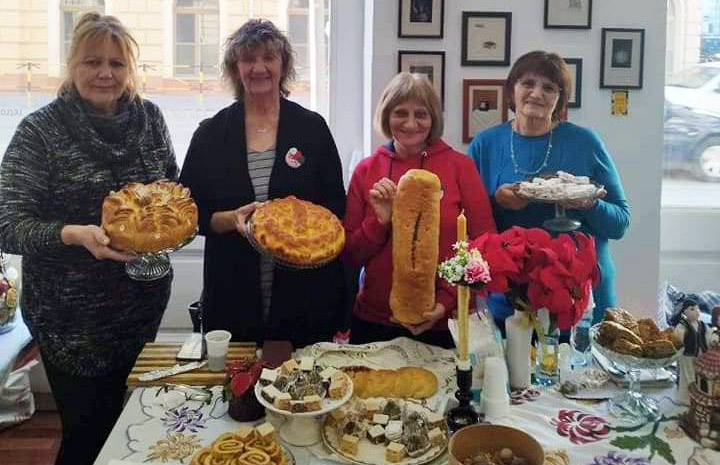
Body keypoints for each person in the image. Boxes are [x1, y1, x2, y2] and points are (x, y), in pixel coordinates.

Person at [0, 13, 177, 465]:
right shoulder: (41, 130)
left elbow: (171, 192)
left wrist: (173, 227)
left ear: (131, 68)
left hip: (140, 310)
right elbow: (9, 225)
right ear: (72, 64)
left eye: (116, 62)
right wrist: (76, 235)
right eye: (92, 61)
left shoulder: (150, 119)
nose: (105, 72)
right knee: (86, 433)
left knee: (130, 428)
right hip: (70, 318)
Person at [179, 19, 346, 346]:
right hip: (232, 294)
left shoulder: (311, 129)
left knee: (301, 390)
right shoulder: (211, 134)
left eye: (268, 58)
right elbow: (189, 212)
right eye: (248, 59)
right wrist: (228, 220)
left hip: (304, 298)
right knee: (238, 389)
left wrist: (302, 232)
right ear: (234, 68)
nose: (258, 68)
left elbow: (335, 206)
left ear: (282, 65)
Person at [469, 51, 630, 325]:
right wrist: (498, 201)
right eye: (527, 83)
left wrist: (587, 202)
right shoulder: (485, 145)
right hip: (512, 295)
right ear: (512, 90)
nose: (536, 93)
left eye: (549, 88)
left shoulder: (585, 143)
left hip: (580, 295)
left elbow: (620, 224)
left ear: (559, 98)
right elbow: (469, 225)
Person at [344, 72, 496, 347]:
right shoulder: (366, 171)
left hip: (445, 321)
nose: (411, 123)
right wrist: (379, 222)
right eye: (400, 113)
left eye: (421, 114)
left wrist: (446, 301)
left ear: (433, 118)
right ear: (387, 116)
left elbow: (485, 246)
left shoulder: (460, 167)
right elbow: (350, 257)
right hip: (374, 321)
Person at [672, 297, 709, 403]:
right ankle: (685, 398)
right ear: (685, 312)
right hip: (687, 355)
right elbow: (677, 339)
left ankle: (699, 396)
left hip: (700, 355)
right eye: (692, 309)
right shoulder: (682, 326)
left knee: (700, 376)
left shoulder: (702, 325)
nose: (696, 312)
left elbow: (708, 336)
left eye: (698, 309)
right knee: (687, 376)